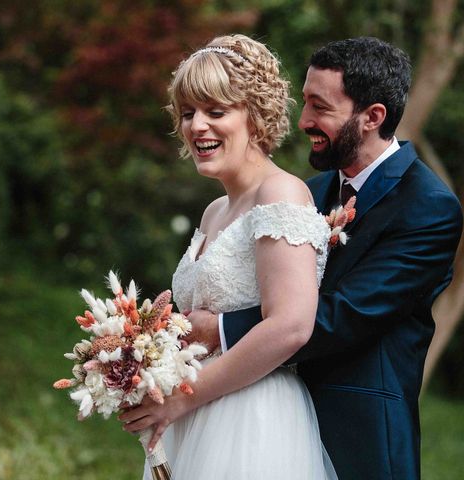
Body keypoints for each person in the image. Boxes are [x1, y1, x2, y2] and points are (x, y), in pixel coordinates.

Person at [183, 37, 464, 479]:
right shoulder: (310, 193)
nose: (304, 120)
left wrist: (219, 328)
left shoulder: (428, 206)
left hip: (358, 430)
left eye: (320, 107)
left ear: (372, 117)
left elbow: (345, 313)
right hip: (262, 414)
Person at [119, 34, 338, 479]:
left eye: (216, 112)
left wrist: (185, 395)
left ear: (254, 117)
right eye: (187, 113)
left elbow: (291, 326)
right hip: (193, 416)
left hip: (251, 418)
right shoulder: (215, 210)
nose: (198, 125)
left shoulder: (282, 193)